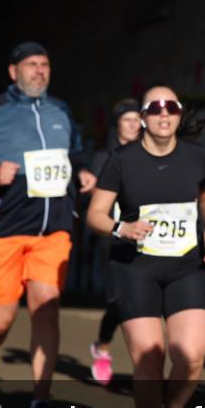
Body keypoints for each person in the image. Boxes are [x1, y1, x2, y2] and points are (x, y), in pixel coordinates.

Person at [87, 86, 205, 408]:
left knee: (191, 357)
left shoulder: (197, 157)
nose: (165, 114)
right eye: (155, 108)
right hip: (135, 266)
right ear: (143, 117)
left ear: (180, 115)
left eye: (172, 107)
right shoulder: (121, 160)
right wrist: (119, 229)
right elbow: (96, 212)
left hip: (186, 264)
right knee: (149, 358)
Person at [0, 42, 96, 408]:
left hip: (53, 230)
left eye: (45, 65)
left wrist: (83, 171)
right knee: (0, 320)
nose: (40, 71)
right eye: (32, 65)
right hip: (5, 230)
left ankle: (41, 399)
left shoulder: (61, 111)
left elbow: (75, 153)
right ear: (13, 72)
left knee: (46, 308)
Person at [87, 98, 142, 384]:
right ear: (117, 125)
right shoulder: (103, 156)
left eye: (137, 119)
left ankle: (145, 362)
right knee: (118, 300)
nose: (134, 124)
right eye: (128, 119)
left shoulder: (148, 152)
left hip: (144, 235)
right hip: (112, 235)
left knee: (144, 298)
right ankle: (103, 346)